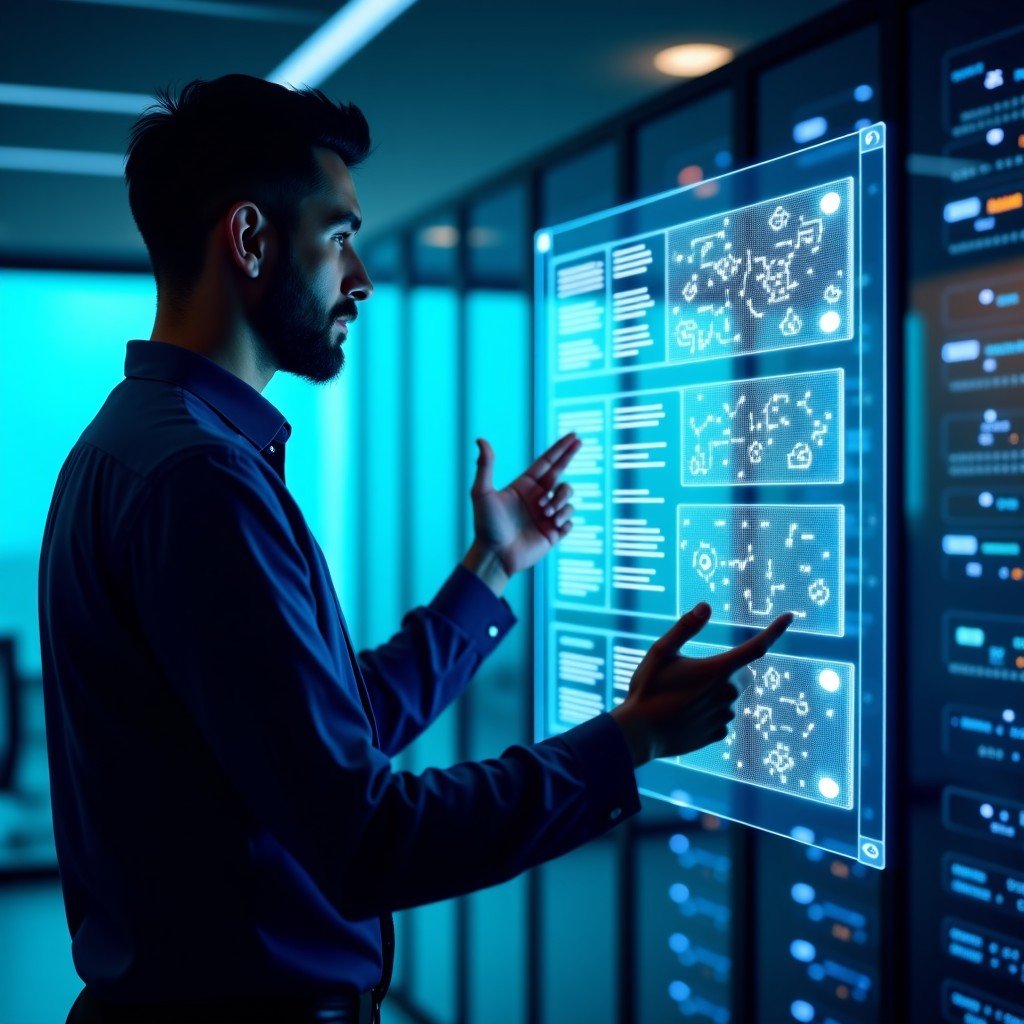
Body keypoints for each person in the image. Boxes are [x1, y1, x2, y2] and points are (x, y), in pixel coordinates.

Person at [38, 74, 791, 1024]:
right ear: (251, 239)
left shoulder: (137, 444)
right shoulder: (200, 482)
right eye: (340, 236)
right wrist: (629, 740)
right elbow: (365, 838)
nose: (359, 279)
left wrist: (491, 567)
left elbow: (327, 731)